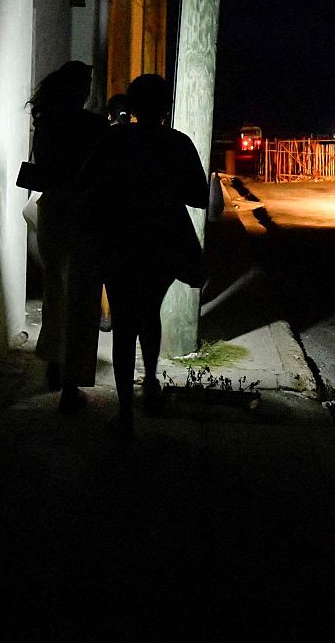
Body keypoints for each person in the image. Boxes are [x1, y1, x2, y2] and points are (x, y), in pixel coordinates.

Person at [80, 73, 209, 438]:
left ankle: (125, 413)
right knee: (149, 311)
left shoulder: (112, 140)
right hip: (163, 243)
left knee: (124, 323)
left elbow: (89, 186)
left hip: (119, 241)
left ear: (132, 106)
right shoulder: (178, 144)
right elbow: (199, 197)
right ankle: (150, 383)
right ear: (166, 107)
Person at [25, 61, 107, 413]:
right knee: (83, 299)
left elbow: (40, 170)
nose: (89, 90)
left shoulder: (45, 124)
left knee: (55, 291)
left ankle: (54, 364)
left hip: (52, 212)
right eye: (86, 84)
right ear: (79, 89)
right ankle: (71, 386)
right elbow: (102, 172)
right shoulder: (93, 126)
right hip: (85, 214)